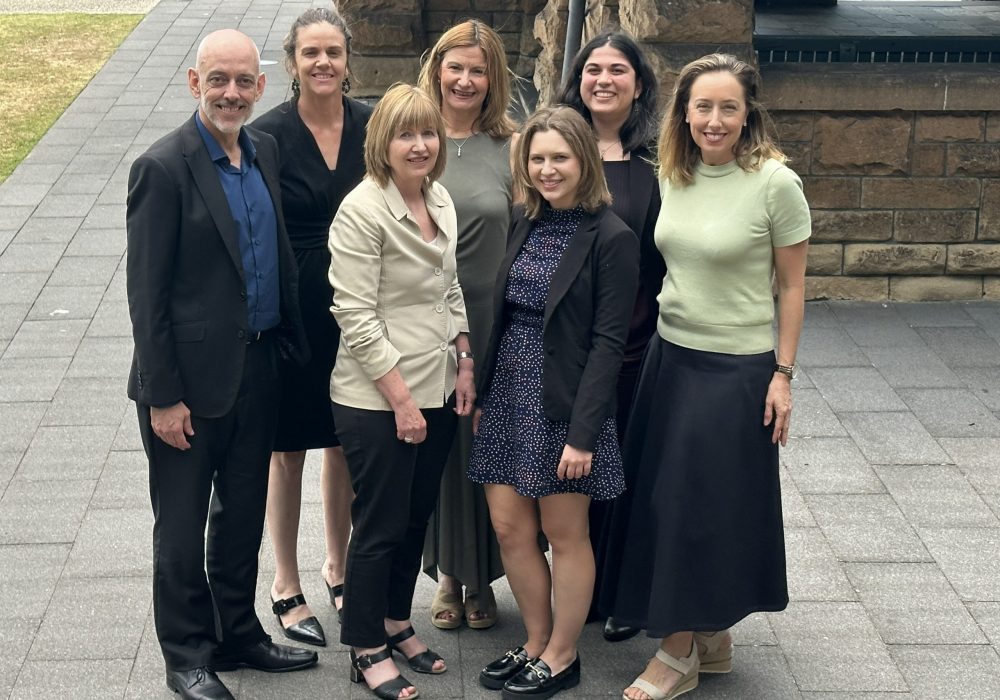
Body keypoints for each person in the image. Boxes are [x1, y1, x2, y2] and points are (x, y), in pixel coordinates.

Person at [600, 53, 811, 700]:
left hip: (735, 371)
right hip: (671, 359)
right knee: (666, 501)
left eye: (727, 107)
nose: (714, 120)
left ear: (748, 113)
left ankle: (676, 651)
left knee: (695, 508)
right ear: (683, 112)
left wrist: (783, 374)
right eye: (702, 107)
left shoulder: (775, 183)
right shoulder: (675, 171)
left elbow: (795, 286)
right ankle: (711, 639)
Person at [126, 29, 319, 700]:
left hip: (259, 370)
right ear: (194, 82)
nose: (232, 92)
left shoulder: (261, 149)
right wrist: (162, 396)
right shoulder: (163, 167)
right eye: (219, 80)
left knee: (241, 516)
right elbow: (146, 294)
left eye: (244, 81)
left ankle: (238, 634)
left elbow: (274, 258)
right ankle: (187, 656)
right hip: (186, 388)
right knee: (179, 529)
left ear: (261, 86)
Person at [469, 106, 639, 700]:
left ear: (584, 161)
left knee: (564, 533)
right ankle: (537, 640)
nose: (547, 169)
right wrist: (488, 391)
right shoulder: (525, 219)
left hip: (565, 408)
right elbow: (504, 314)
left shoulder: (613, 237)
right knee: (510, 527)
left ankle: (565, 655)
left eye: (559, 158)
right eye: (537, 158)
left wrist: (583, 435)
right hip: (509, 396)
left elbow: (608, 343)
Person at [328, 83, 475, 700]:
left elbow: (451, 289)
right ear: (381, 144)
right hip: (377, 399)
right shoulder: (361, 211)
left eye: (428, 133)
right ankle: (365, 647)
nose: (419, 145)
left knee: (415, 517)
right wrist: (402, 400)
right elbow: (355, 315)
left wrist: (465, 359)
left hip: (438, 387)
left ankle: (395, 621)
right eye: (405, 134)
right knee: (381, 523)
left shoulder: (438, 198)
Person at [252, 5, 371, 647]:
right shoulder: (266, 134)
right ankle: (285, 581)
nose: (322, 62)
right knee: (286, 447)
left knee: (344, 439)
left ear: (347, 60)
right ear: (293, 62)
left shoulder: (371, 125)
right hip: (293, 306)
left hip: (358, 301)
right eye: (310, 53)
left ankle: (339, 563)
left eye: (333, 51)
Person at [555, 30, 665, 644]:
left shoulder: (659, 162)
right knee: (575, 473)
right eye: (592, 68)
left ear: (638, 84)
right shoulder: (555, 149)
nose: (603, 80)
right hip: (568, 346)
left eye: (617, 70)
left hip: (638, 344)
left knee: (629, 470)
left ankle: (626, 591)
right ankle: (581, 592)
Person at [416, 18, 516, 633]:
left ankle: (483, 578)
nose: (465, 79)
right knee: (438, 448)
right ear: (437, 69)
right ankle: (448, 575)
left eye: (478, 69)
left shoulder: (511, 147)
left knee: (486, 447)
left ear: (493, 79)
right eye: (456, 66)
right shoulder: (413, 138)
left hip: (492, 318)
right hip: (426, 321)